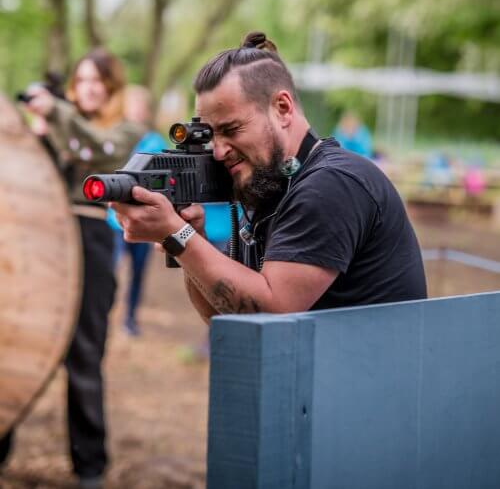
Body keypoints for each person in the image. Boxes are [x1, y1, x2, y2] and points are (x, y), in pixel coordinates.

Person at [112, 31, 426, 326]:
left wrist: (180, 237)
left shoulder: (331, 184)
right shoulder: (274, 183)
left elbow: (273, 315)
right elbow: (228, 316)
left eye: (231, 130)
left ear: (282, 108)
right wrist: (193, 238)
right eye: (211, 135)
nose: (218, 152)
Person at [22, 49, 144, 489]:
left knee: (84, 355)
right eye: (82, 81)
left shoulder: (124, 131)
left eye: (98, 82)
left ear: (111, 89)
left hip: (91, 240)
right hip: (42, 244)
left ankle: (89, 466)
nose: (89, 89)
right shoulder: (56, 126)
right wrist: (38, 127)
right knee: (20, 342)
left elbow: (96, 148)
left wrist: (54, 114)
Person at [107, 85, 167, 336]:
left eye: (140, 107)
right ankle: (106, 312)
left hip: (145, 221)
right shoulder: (114, 137)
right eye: (131, 106)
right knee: (112, 270)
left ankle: (130, 318)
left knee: (138, 273)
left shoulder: (155, 141)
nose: (136, 111)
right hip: (115, 220)